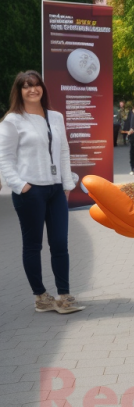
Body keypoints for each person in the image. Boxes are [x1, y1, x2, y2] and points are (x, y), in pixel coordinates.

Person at [0, 71, 85, 314]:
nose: (32, 90)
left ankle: (64, 295)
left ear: (42, 89)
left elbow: (65, 152)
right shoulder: (13, 120)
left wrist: (66, 184)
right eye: (26, 87)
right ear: (19, 91)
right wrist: (20, 185)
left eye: (36, 85)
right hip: (30, 192)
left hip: (56, 190)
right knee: (33, 245)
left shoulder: (55, 117)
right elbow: (4, 157)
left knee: (60, 243)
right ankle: (40, 297)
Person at [123, 103, 134, 175]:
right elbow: (127, 123)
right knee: (132, 153)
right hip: (132, 136)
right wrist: (128, 132)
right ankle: (132, 168)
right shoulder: (131, 113)